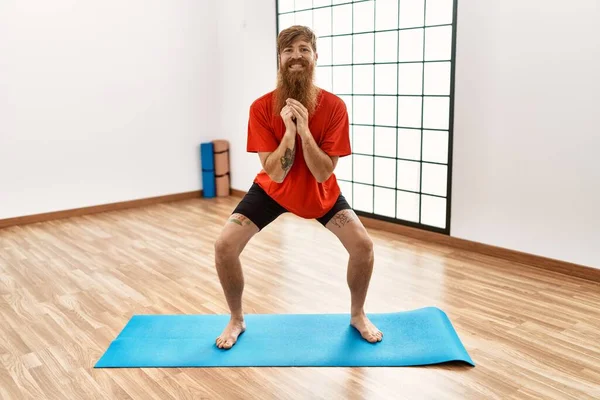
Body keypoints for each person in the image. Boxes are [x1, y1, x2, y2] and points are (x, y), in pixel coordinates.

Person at [213, 25, 383, 349]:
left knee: (363, 247)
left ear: (315, 57)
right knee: (224, 246)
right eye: (289, 50)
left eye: (304, 49)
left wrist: (305, 132)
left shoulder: (334, 107)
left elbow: (323, 174)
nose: (296, 56)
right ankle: (236, 319)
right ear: (279, 59)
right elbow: (275, 174)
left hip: (319, 193)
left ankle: (358, 314)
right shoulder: (261, 108)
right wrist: (288, 133)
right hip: (272, 191)